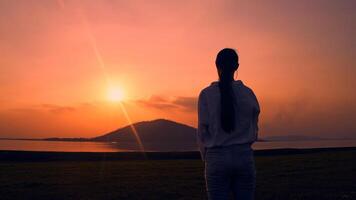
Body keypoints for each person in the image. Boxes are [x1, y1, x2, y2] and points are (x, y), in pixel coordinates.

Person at [197, 48, 260, 200]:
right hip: (243, 156)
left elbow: (202, 132)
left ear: (216, 65)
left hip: (216, 158)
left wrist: (207, 158)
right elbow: (254, 126)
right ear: (236, 66)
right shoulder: (248, 93)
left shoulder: (206, 95)